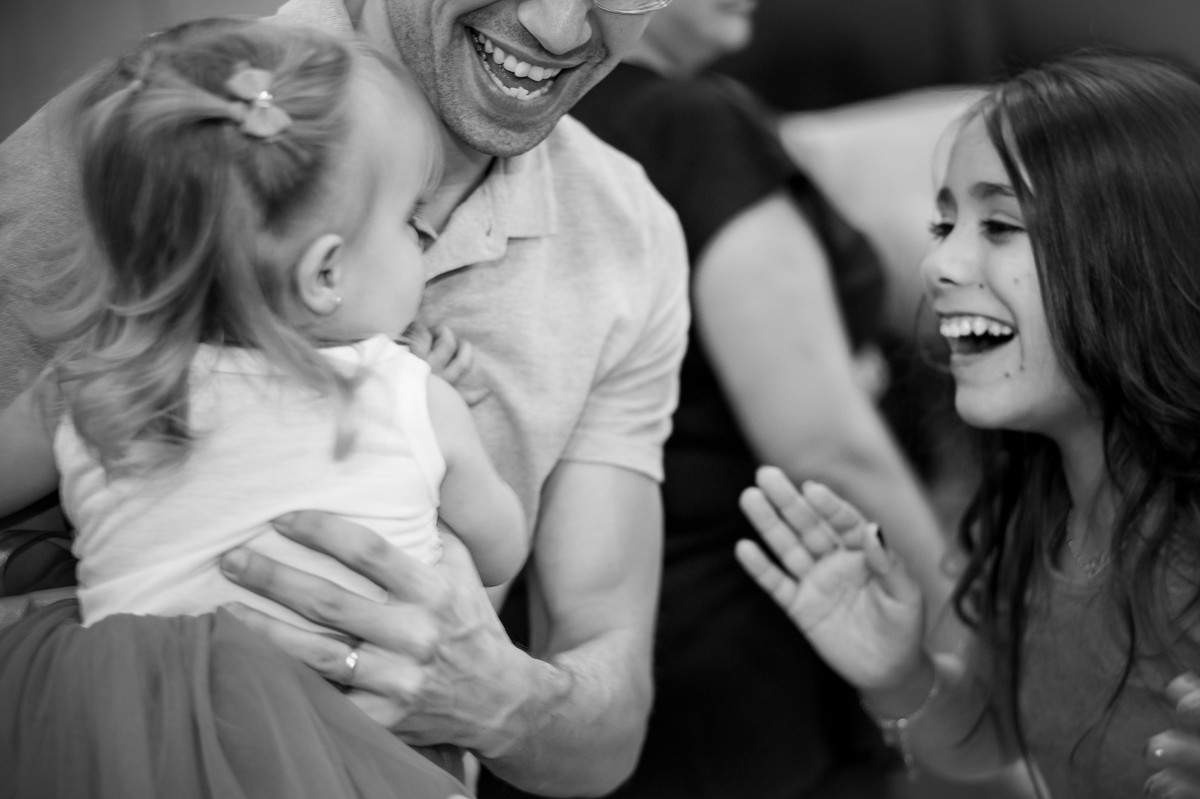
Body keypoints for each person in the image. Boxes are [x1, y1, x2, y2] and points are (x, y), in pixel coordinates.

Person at [0, 0, 690, 795]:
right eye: (407, 224)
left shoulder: (631, 230)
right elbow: (497, 542)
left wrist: (504, 698)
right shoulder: (155, 120)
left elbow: (607, 729)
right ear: (325, 272)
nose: (559, 28)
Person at [735, 53, 1200, 799]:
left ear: (1145, 259)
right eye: (944, 224)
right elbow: (990, 730)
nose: (937, 264)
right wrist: (900, 673)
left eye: (1001, 225)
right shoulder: (1041, 514)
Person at [516, 2, 947, 797]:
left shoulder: (523, 129)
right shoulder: (691, 125)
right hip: (753, 667)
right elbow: (825, 444)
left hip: (578, 662)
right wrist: (959, 647)